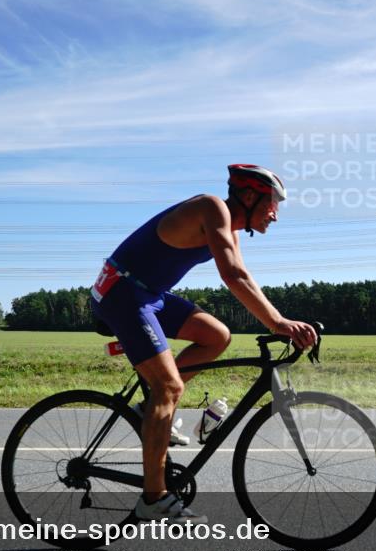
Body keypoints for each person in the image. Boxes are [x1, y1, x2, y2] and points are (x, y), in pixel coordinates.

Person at [90, 164, 318, 524]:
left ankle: (149, 405)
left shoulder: (230, 228)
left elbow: (245, 278)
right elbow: (233, 275)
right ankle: (154, 498)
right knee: (170, 386)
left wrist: (278, 320)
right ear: (248, 195)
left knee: (217, 336)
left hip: (150, 294)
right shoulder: (213, 208)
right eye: (272, 203)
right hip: (121, 291)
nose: (275, 214)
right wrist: (279, 323)